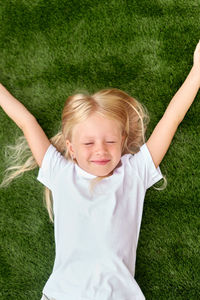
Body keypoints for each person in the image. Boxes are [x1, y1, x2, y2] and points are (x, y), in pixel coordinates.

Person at [0, 41, 200, 300]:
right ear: (71, 148)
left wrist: (197, 73)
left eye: (110, 141)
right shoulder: (61, 173)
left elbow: (171, 119)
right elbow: (27, 122)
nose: (101, 151)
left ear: (123, 140)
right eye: (88, 143)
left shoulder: (134, 172)